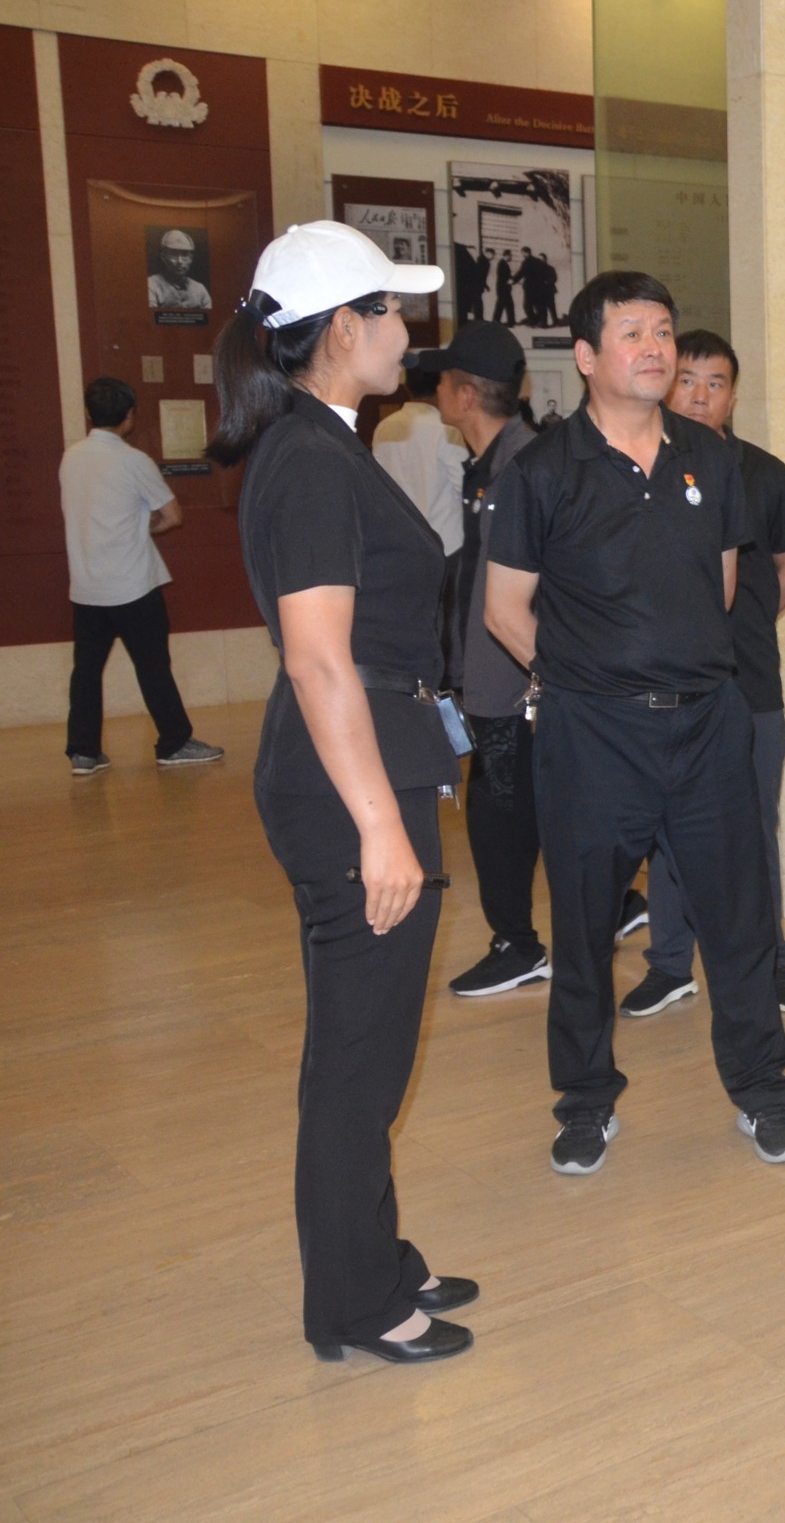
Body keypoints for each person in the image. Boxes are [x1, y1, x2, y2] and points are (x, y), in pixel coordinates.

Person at [209, 220, 473, 1363]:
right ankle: (357, 1306)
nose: (406, 331)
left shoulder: (320, 445)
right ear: (339, 332)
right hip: (348, 777)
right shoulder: (311, 460)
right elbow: (320, 661)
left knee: (367, 1045)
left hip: (368, 755)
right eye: (389, 311)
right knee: (360, 1059)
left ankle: (375, 1260)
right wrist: (378, 826)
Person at [485, 270, 785, 1174]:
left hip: (708, 725)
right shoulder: (543, 471)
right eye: (633, 333)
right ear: (587, 356)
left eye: (663, 330)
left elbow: (724, 586)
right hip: (593, 736)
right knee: (585, 929)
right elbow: (505, 609)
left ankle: (762, 1093)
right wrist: (580, 682)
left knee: (738, 923)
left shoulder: (712, 460)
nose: (656, 348)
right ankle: (585, 1104)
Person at [626, 330, 785, 1018]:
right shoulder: (639, 470)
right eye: (688, 380)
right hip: (664, 686)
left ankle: (770, 961)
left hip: (750, 681)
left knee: (755, 827)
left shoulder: (764, 473)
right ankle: (670, 963)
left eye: (716, 383)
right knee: (668, 827)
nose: (700, 396)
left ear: (733, 396)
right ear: (666, 385)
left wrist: (745, 620)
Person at [412, 322, 554, 1001]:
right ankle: (615, 909)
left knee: (499, 817)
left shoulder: (522, 469)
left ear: (466, 394)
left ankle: (517, 946)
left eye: (443, 380)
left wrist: (544, 677)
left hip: (516, 683)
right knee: (522, 811)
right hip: (495, 677)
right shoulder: (491, 465)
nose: (435, 390)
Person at [59, 376, 221, 775]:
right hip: (133, 586)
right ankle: (174, 743)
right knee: (152, 666)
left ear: (88, 414)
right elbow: (172, 516)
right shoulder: (133, 461)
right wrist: (141, 527)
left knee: (86, 671)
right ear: (130, 417)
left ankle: (84, 753)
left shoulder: (71, 457)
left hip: (86, 588)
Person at [369, 367, 465, 555]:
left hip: (400, 542)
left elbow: (377, 487)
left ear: (407, 387)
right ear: (441, 387)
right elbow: (464, 485)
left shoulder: (384, 427)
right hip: (446, 542)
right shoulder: (446, 429)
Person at [148, 228, 211, 309]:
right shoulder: (152, 285)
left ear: (191, 259)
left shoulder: (199, 289)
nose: (179, 261)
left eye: (185, 255)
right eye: (173, 254)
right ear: (163, 257)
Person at [492, 253, 517, 325]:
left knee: (502, 305)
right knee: (507, 305)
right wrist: (510, 280)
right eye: (510, 256)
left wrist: (511, 279)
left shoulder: (503, 263)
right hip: (503, 288)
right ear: (506, 256)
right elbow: (503, 276)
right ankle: (510, 321)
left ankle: (497, 320)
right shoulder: (502, 264)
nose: (511, 258)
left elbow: (506, 275)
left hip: (502, 288)